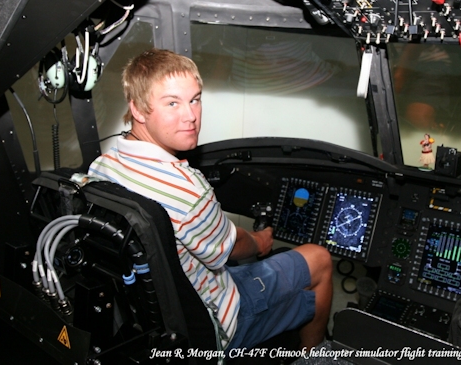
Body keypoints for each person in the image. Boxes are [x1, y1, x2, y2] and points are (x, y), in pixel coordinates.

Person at [88, 48, 333, 352]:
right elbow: (233, 247)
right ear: (138, 110)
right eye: (172, 103)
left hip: (152, 313)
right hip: (216, 319)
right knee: (319, 259)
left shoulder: (102, 166)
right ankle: (317, 358)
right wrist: (261, 240)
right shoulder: (186, 188)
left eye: (195, 99)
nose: (190, 116)